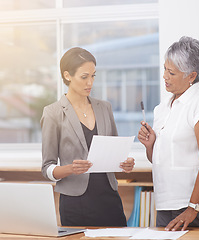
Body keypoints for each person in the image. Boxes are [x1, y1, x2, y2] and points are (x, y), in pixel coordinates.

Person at [138, 36, 199, 231]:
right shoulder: (162, 108)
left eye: (171, 72)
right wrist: (150, 145)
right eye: (164, 69)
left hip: (195, 204)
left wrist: (193, 208)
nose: (164, 76)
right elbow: (160, 160)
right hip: (165, 202)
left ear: (191, 76)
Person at [40, 47, 135, 227]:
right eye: (84, 77)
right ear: (67, 75)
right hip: (75, 203)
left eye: (93, 76)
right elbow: (47, 168)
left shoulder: (104, 108)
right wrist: (70, 169)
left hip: (109, 198)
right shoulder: (52, 113)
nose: (90, 82)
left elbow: (115, 152)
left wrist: (125, 163)